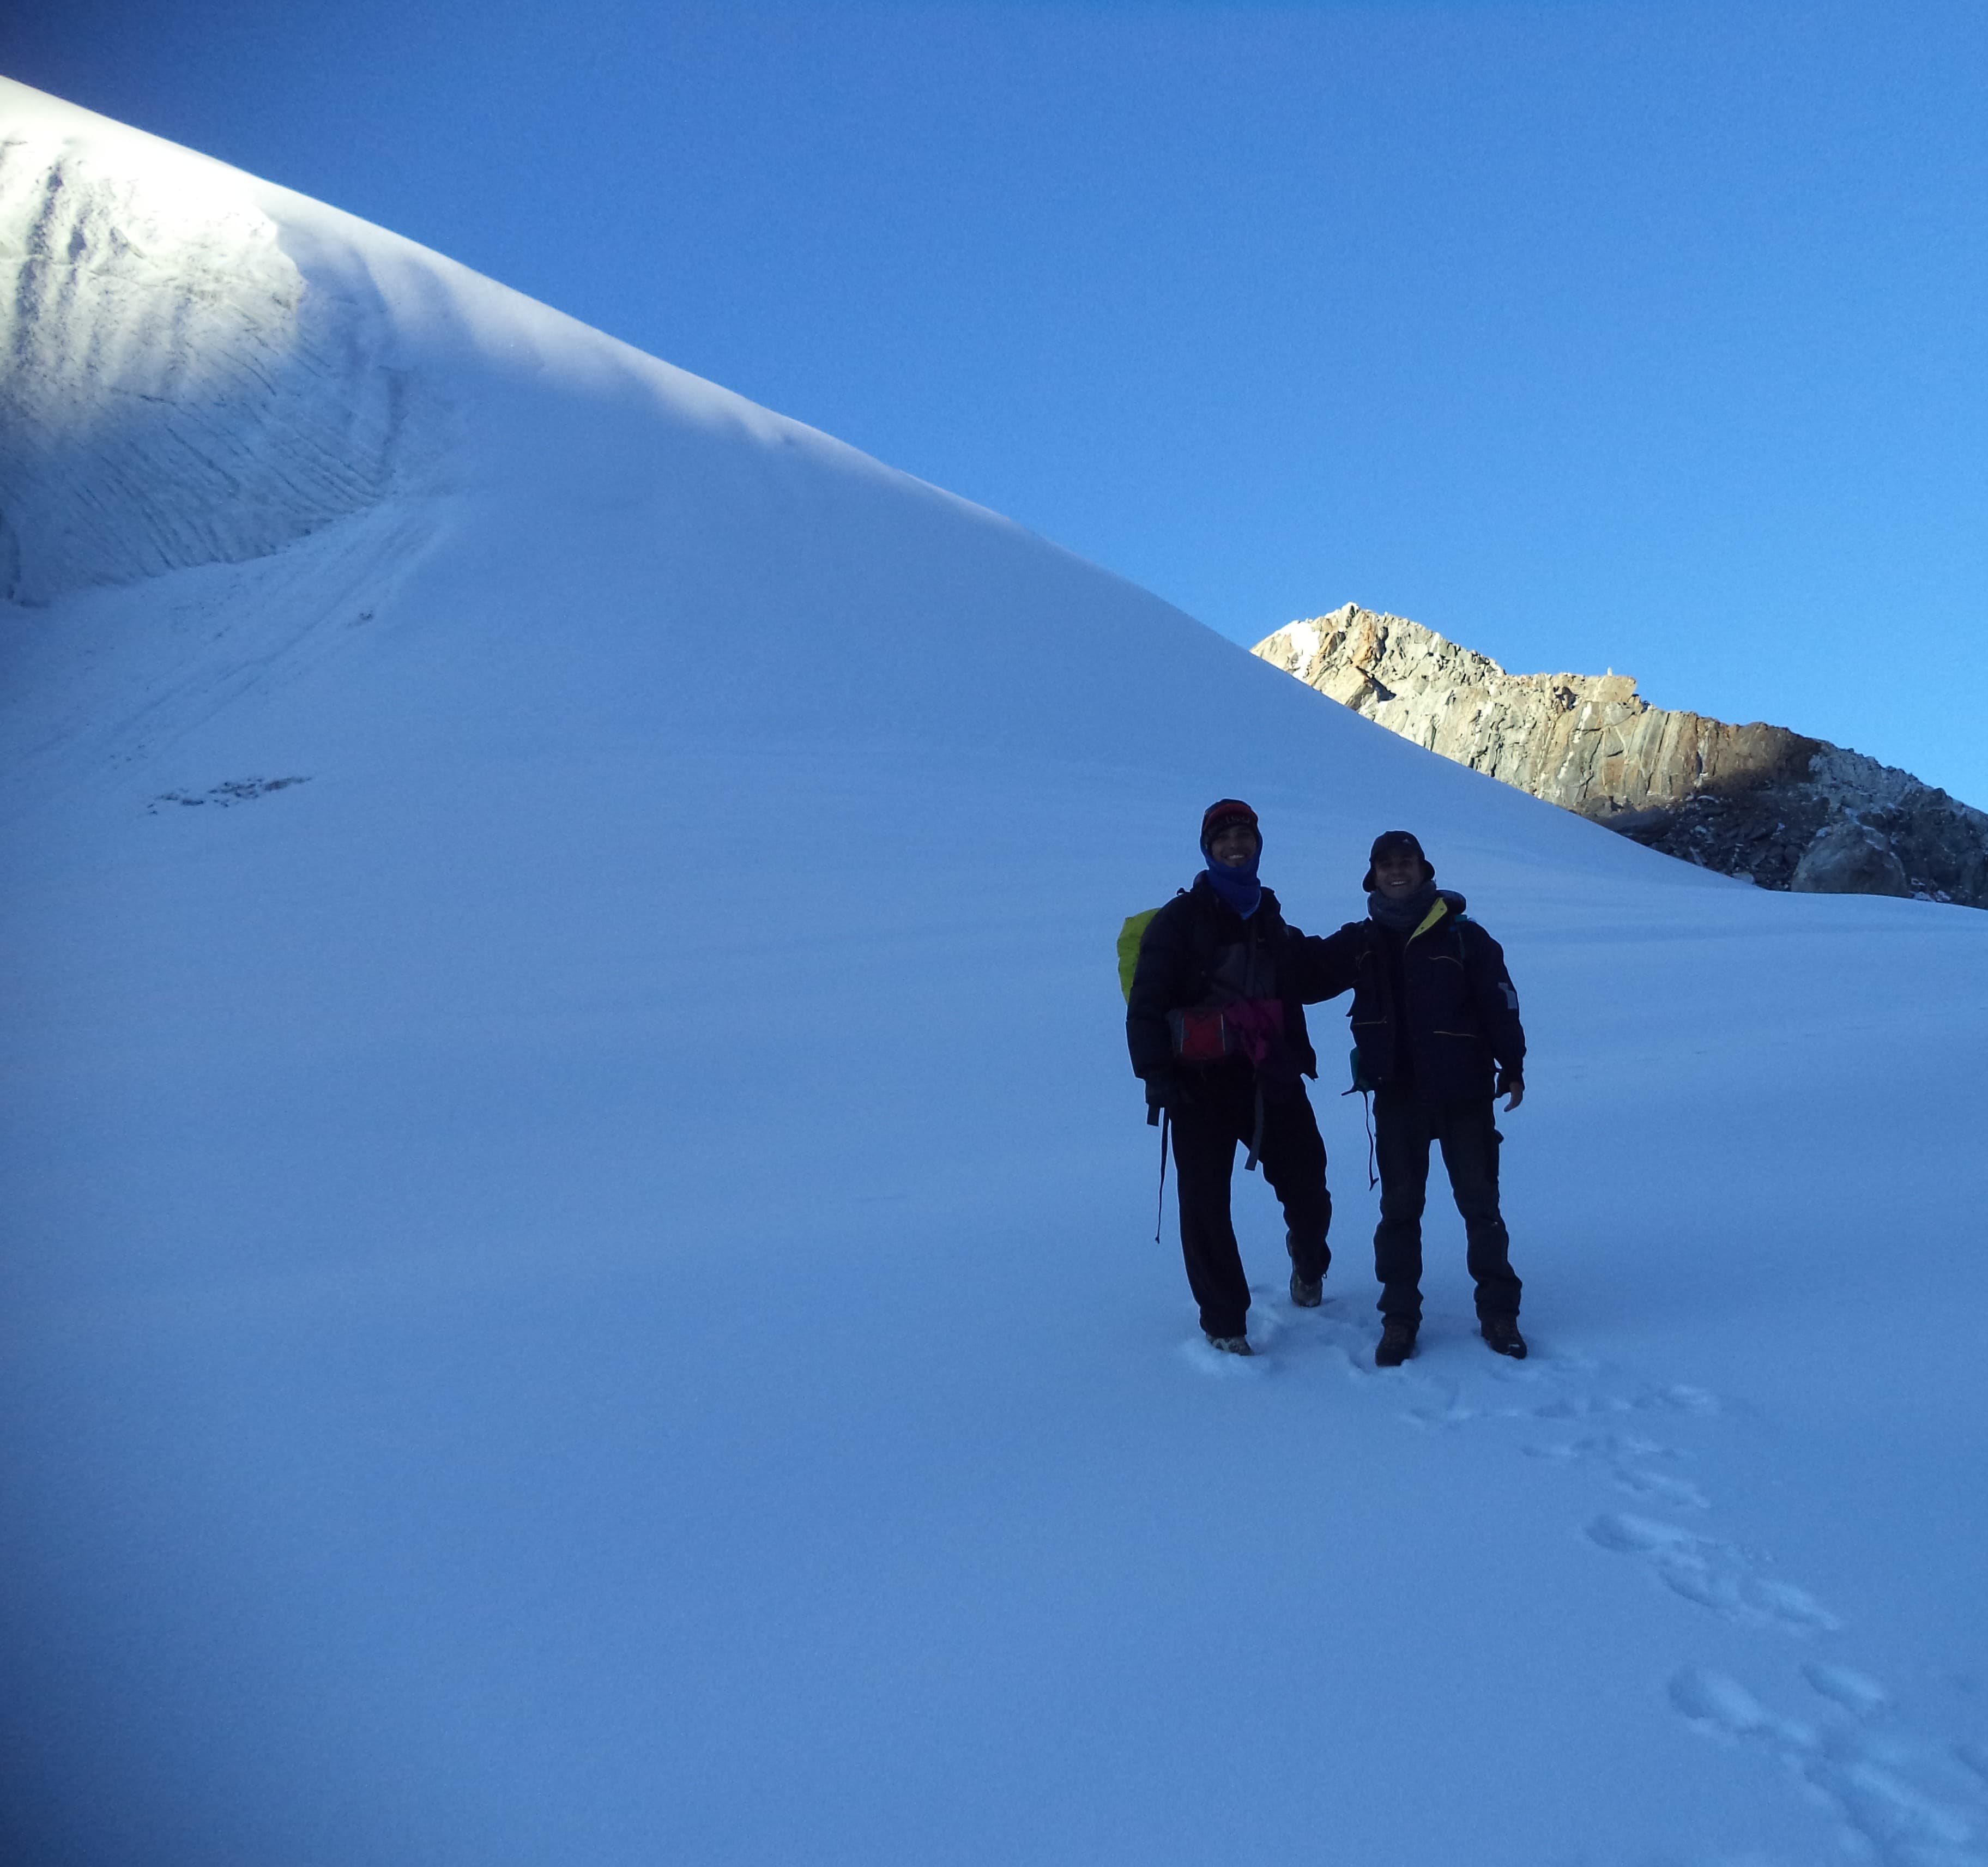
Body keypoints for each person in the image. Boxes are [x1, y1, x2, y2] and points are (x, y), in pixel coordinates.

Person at [1125, 800, 1341, 1355]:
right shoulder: (1179, 921)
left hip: (1268, 1073)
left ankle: (1307, 1257)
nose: (1235, 845)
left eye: (1244, 835)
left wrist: (1365, 944)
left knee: (1307, 1185)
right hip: (1196, 1084)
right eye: (1223, 838)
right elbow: (1147, 1002)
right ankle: (1224, 1321)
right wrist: (1155, 1073)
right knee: (1203, 1204)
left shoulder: (1267, 918)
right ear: (1207, 848)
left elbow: (1305, 973)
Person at [1304, 831, 1527, 1367]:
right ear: (1372, 875)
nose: (1396, 871)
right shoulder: (1361, 940)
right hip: (1397, 1096)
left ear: (1424, 870)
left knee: (1480, 1207)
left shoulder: (1463, 935)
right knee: (1398, 1211)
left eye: (1405, 862)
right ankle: (1398, 1319)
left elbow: (1499, 1003)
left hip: (1463, 1093)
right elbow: (1306, 976)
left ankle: (1499, 1315)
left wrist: (1513, 1066)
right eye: (1385, 864)